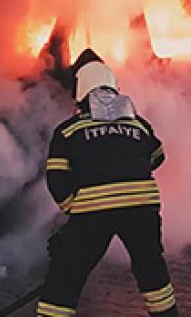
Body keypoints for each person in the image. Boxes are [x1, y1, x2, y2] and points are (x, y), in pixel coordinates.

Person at [37, 50, 179, 316]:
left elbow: (56, 178)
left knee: (67, 271)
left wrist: (72, 208)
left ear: (80, 94)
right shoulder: (138, 125)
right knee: (150, 268)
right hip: (141, 207)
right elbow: (158, 157)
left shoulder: (68, 131)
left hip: (93, 211)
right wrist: (130, 170)